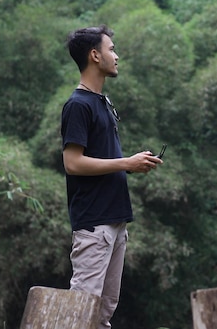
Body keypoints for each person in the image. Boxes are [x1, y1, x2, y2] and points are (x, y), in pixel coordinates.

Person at [61, 25, 162, 329]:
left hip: (115, 221)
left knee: (103, 315)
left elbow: (103, 159)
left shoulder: (102, 102)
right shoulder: (78, 105)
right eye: (112, 49)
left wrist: (131, 164)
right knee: (81, 312)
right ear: (95, 55)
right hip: (94, 224)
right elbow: (73, 163)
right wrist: (124, 162)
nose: (116, 57)